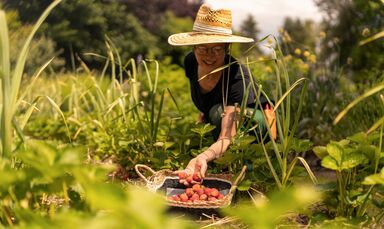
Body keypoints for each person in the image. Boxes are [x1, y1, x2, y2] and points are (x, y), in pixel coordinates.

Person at [168, 4, 276, 185]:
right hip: (221, 116)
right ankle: (223, 164)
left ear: (227, 49)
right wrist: (202, 115)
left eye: (217, 49)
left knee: (218, 113)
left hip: (259, 121)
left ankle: (247, 171)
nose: (209, 55)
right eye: (203, 48)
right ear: (194, 47)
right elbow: (207, 101)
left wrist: (203, 156)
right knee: (214, 113)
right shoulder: (191, 62)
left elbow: (227, 136)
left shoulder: (236, 78)